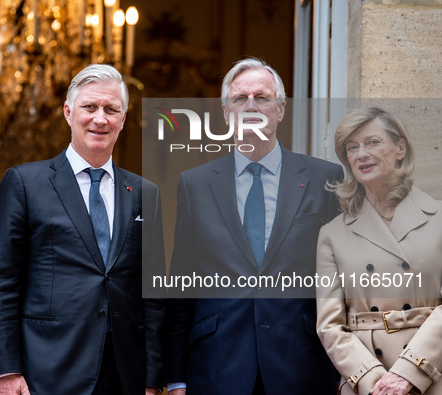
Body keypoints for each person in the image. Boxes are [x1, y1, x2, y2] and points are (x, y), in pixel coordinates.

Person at [0, 64, 166, 394]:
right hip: (45, 367)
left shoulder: (145, 193)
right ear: (68, 112)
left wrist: (153, 380)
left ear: (123, 119)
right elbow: (2, 282)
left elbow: (152, 296)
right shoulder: (25, 183)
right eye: (90, 107)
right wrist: (5, 370)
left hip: (124, 373)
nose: (101, 119)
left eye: (111, 109)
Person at [165, 57, 342, 394]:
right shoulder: (195, 183)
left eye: (262, 97)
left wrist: (346, 369)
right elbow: (181, 284)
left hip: (303, 364)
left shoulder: (325, 179)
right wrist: (176, 378)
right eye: (239, 98)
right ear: (225, 111)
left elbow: (341, 282)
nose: (250, 106)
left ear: (281, 109)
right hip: (217, 366)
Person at [316, 106, 442, 395]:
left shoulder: (439, 219)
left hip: (432, 375)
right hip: (366, 382)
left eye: (372, 142)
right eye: (352, 147)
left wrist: (408, 373)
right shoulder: (332, 234)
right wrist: (374, 380)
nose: (361, 154)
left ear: (400, 148)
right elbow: (329, 325)